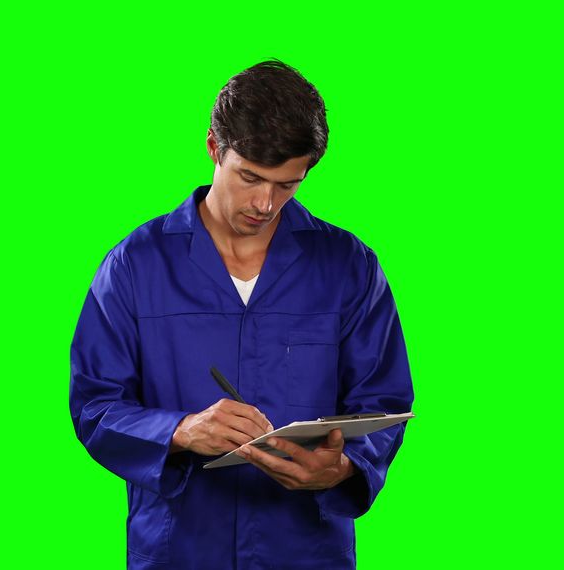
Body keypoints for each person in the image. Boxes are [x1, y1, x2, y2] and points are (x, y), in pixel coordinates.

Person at [69, 60, 414, 570]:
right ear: (214, 146)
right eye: (250, 177)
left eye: (287, 184)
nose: (265, 203)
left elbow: (383, 400)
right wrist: (180, 431)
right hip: (177, 550)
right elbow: (95, 405)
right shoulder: (136, 265)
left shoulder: (348, 266)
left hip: (305, 550)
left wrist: (342, 468)